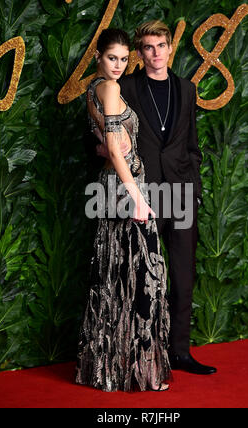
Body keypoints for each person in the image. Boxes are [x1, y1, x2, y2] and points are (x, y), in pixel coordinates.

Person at [97, 21, 217, 375]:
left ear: (169, 48)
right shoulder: (125, 87)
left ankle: (180, 352)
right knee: (140, 279)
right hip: (141, 194)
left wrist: (193, 188)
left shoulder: (186, 88)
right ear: (139, 53)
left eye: (161, 45)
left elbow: (192, 145)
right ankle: (144, 356)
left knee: (181, 276)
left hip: (180, 192)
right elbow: (101, 134)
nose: (156, 53)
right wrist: (105, 148)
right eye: (148, 47)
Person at [75, 28, 172, 392]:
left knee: (115, 277)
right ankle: (139, 374)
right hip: (125, 189)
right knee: (143, 281)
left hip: (110, 186)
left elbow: (105, 146)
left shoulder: (92, 90)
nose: (118, 65)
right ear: (98, 56)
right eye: (111, 57)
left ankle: (109, 371)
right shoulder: (111, 88)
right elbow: (117, 150)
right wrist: (137, 197)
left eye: (123, 59)